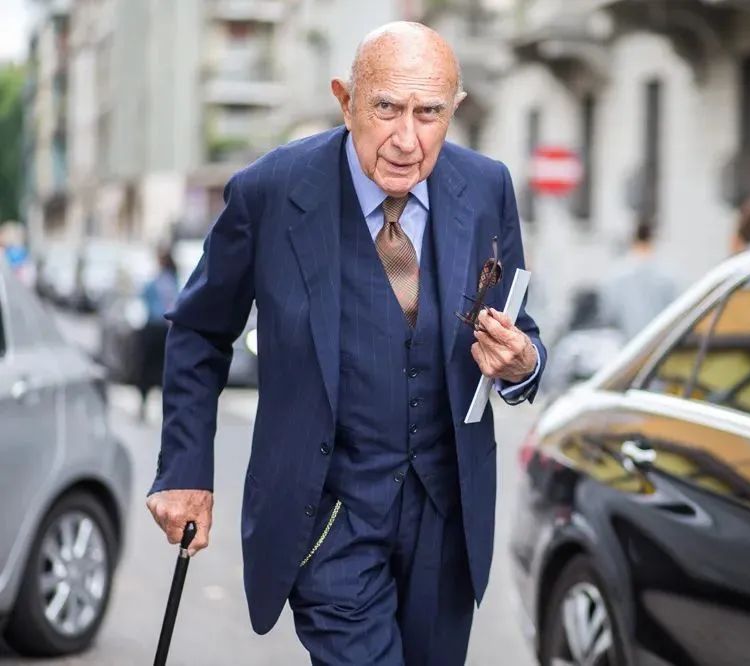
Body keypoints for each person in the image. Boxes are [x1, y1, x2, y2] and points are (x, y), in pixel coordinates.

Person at [145, 22, 546, 666]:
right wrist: (185, 470)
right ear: (345, 100)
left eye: (429, 113)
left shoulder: (486, 186)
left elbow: (518, 327)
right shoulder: (271, 192)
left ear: (454, 110)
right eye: (386, 107)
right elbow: (199, 329)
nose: (407, 139)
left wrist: (523, 362)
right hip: (329, 519)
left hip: (445, 516)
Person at [598, 218, 679, 341]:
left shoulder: (616, 276)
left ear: (632, 239)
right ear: (652, 239)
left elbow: (608, 314)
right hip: (660, 343)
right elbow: (676, 312)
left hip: (630, 345)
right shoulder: (669, 275)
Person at [136, 246, 179, 421]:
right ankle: (166, 408)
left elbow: (143, 296)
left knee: (146, 368)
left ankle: (144, 403)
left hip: (154, 328)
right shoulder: (174, 281)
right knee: (164, 369)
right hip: (166, 330)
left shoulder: (157, 282)